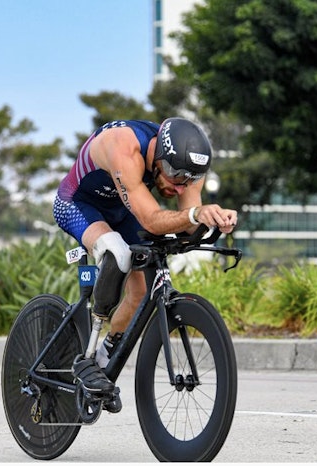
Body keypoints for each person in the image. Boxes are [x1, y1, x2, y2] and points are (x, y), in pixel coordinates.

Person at [52, 117, 238, 399]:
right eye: (176, 177)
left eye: (189, 180)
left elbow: (190, 222)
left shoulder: (184, 166)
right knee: (117, 252)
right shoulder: (123, 146)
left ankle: (102, 361)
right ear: (158, 156)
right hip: (78, 204)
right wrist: (194, 215)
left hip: (124, 209)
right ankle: (85, 358)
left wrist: (215, 219)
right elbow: (153, 219)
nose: (180, 187)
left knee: (141, 292)